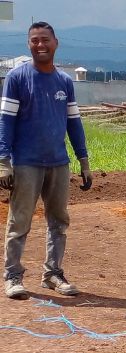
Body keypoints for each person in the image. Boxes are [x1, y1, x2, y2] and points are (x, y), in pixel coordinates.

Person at [0, 21, 92, 300]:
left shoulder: (64, 81)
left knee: (59, 221)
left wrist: (83, 160)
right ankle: (13, 276)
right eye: (35, 40)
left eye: (45, 40)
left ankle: (53, 274)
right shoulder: (17, 78)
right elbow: (6, 121)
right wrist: (3, 160)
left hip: (58, 163)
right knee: (19, 222)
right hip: (26, 162)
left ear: (56, 43)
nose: (40, 45)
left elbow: (74, 123)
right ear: (29, 44)